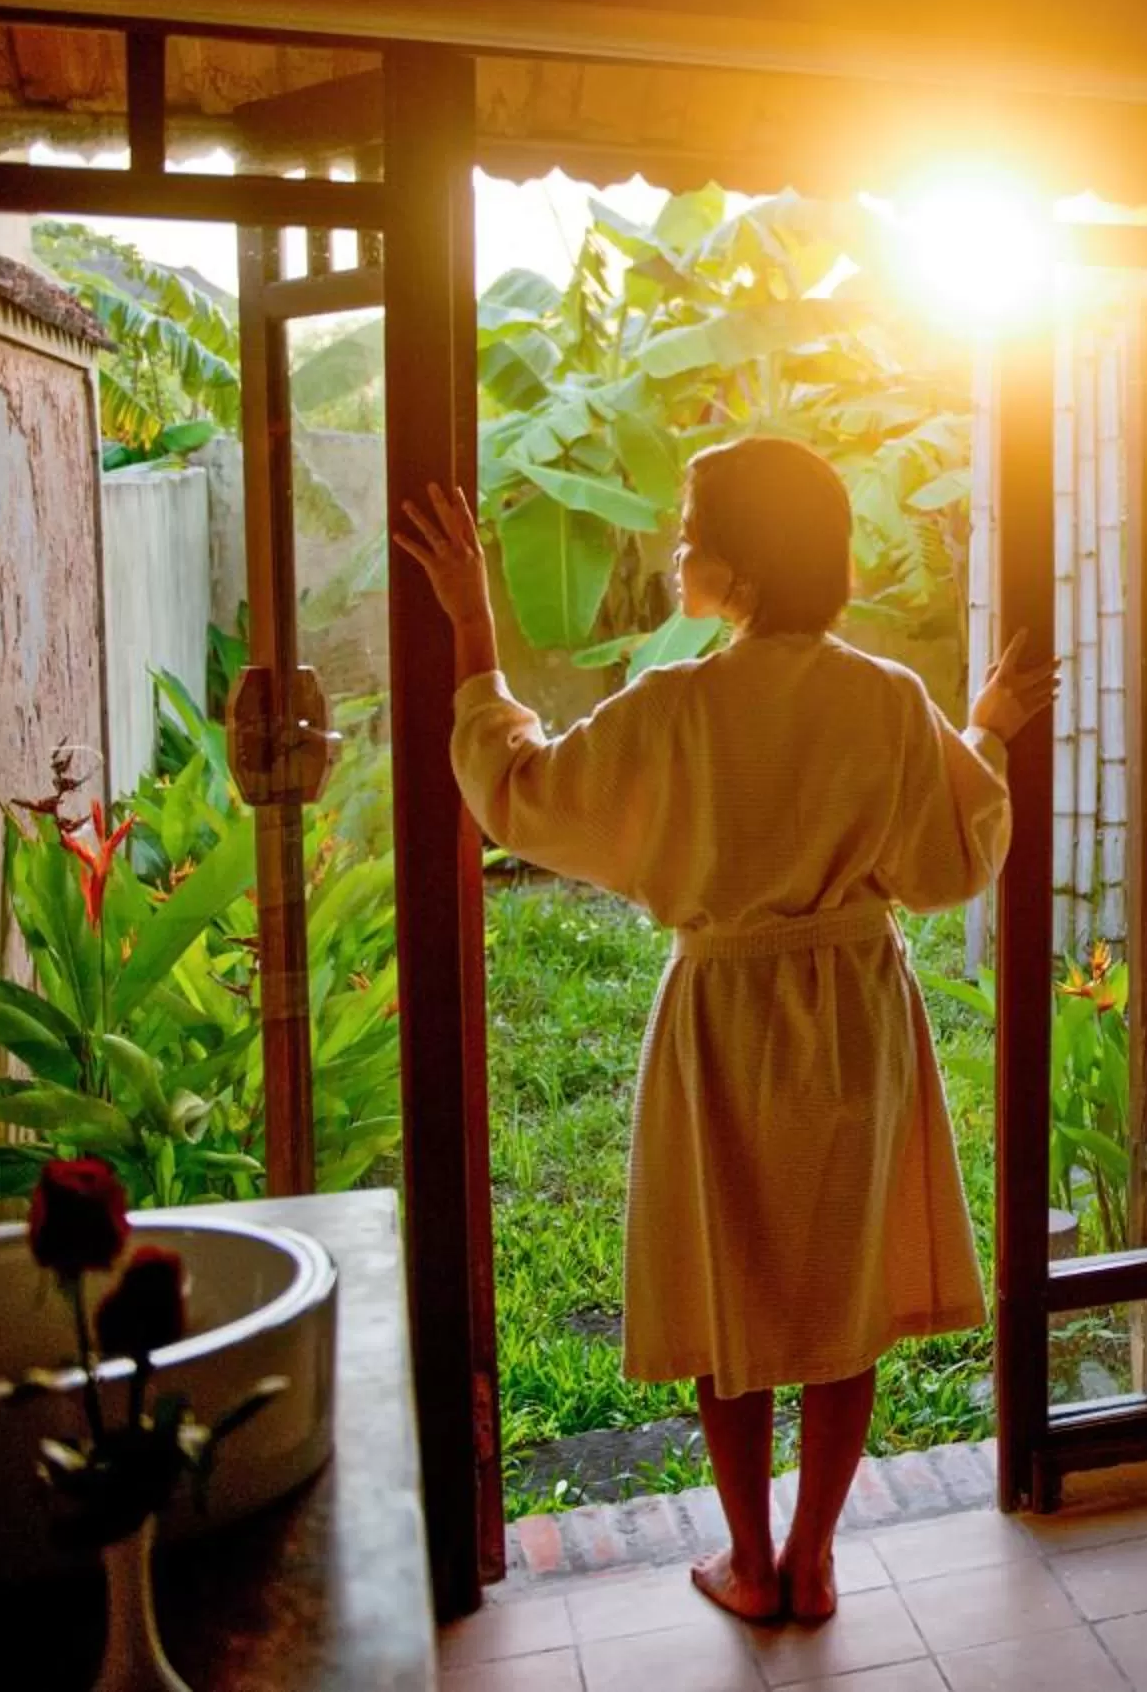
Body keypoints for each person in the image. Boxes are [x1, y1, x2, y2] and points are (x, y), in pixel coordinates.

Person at [394, 437, 1057, 1624]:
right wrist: (989, 731)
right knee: (847, 1289)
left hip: (724, 1024)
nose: (680, 542)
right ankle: (815, 1554)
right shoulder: (886, 699)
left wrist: (475, 629)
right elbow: (955, 850)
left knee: (728, 1286)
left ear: (742, 563)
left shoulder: (679, 707)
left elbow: (522, 792)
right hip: (859, 1018)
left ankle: (749, 1560)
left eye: (696, 524)